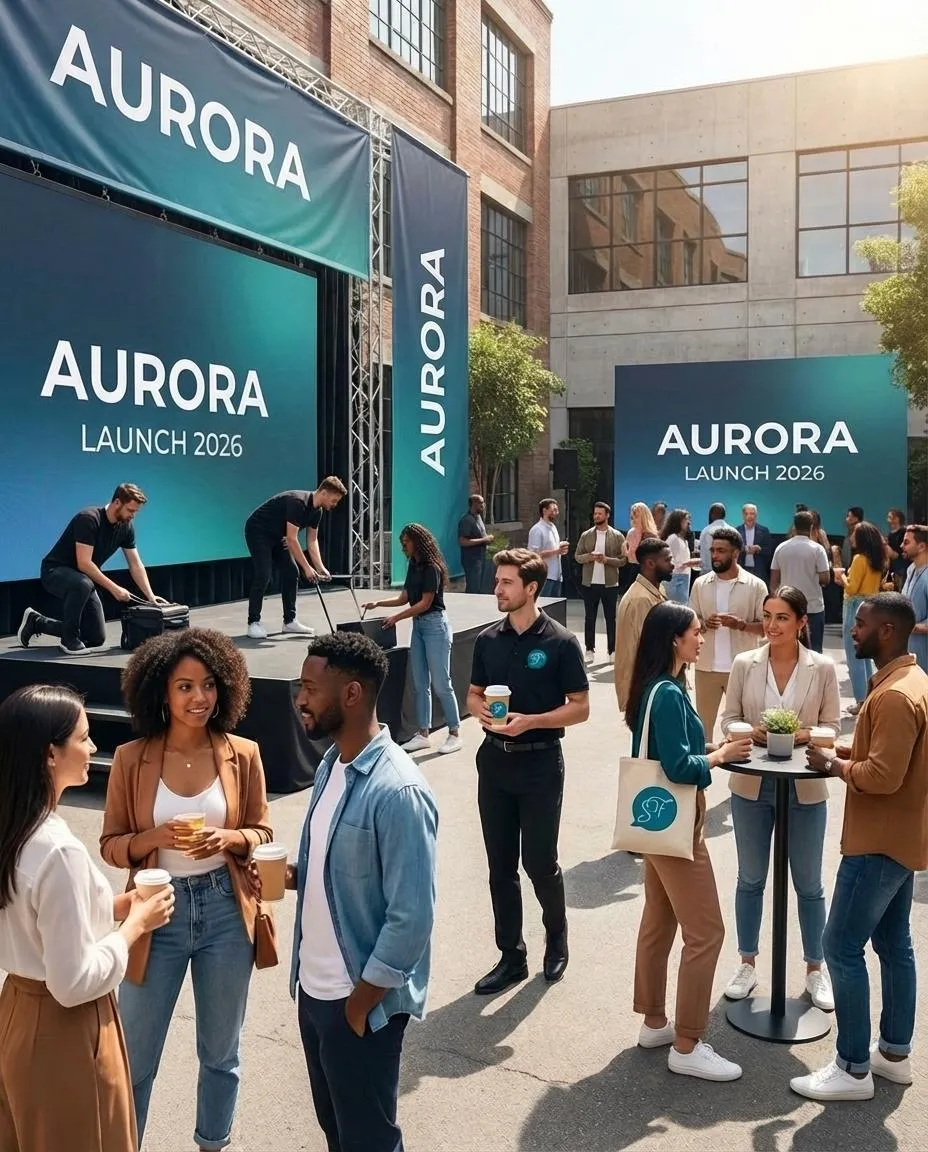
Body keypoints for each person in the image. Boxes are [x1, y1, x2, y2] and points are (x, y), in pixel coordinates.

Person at [100, 628, 273, 1150]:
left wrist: (230, 838)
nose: (200, 698)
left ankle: (212, 1144)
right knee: (134, 1056)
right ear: (161, 691)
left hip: (225, 910)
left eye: (209, 685)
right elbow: (110, 845)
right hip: (156, 911)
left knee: (221, 1054)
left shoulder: (243, 753)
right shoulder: (132, 758)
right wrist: (151, 838)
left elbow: (262, 832)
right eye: (184, 687)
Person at [277, 632, 438, 1151]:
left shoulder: (399, 790)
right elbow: (338, 868)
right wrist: (294, 874)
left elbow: (411, 916)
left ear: (351, 694)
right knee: (338, 1133)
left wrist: (360, 1003)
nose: (300, 699)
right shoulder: (331, 765)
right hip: (314, 992)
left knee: (369, 1141)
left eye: (310, 688)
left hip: (359, 1003)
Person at [0, 684, 174, 1152]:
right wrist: (135, 926)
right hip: (64, 1030)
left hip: (15, 1009)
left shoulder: (15, 827)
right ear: (50, 754)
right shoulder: (56, 849)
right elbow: (72, 982)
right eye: (83, 737)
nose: (94, 747)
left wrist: (115, 906)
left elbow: (30, 915)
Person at [793, 594, 928, 1102]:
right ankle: (892, 1054)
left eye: (862, 623)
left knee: (840, 947)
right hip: (901, 837)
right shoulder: (911, 681)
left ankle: (852, 1069)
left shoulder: (895, 696)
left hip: (876, 843)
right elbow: (896, 757)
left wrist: (834, 766)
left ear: (887, 631)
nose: (852, 629)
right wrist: (844, 748)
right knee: (894, 945)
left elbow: (884, 776)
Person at [626, 603, 753, 1081]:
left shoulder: (657, 687)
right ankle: (688, 1042)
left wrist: (714, 749)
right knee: (707, 933)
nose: (702, 639)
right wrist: (719, 756)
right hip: (677, 828)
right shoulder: (668, 692)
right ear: (674, 640)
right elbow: (680, 768)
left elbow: (670, 751)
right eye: (696, 633)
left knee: (659, 923)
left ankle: (655, 1021)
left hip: (656, 824)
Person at [467, 549, 589, 994]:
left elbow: (581, 708)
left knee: (539, 863)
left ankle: (556, 938)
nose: (497, 589)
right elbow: (473, 694)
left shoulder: (560, 642)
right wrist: (481, 711)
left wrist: (531, 721)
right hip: (494, 761)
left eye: (506, 582)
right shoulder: (487, 640)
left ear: (531, 588)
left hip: (540, 763)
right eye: (497, 581)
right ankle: (511, 956)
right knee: (500, 866)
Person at [720, 587, 840, 1010]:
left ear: (802, 622)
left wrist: (797, 734)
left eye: (782, 617)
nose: (771, 625)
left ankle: (815, 969)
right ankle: (746, 963)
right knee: (750, 878)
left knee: (809, 883)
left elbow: (832, 727)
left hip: (805, 786)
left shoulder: (822, 667)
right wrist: (752, 732)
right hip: (752, 785)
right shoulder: (744, 663)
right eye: (768, 616)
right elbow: (728, 719)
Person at [18, 482, 164, 655]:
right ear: (117, 502)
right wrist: (115, 589)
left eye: (135, 512)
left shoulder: (126, 527)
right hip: (55, 571)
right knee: (83, 584)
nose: (132, 516)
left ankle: (37, 623)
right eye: (130, 510)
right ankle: (69, 641)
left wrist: (151, 597)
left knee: (95, 637)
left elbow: (135, 564)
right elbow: (84, 563)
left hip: (83, 580)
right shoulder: (89, 519)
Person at [363, 523, 462, 755]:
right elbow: (404, 598)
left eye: (406, 542)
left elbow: (425, 603)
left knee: (441, 683)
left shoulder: (432, 568)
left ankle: (455, 732)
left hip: (435, 626)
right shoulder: (414, 566)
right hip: (419, 627)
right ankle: (423, 734)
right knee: (420, 683)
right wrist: (378, 603)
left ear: (418, 542)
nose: (403, 547)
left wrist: (396, 618)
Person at [243, 477, 347, 639]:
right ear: (324, 493)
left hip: (279, 536)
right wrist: (307, 568)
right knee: (264, 574)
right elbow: (292, 539)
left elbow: (312, 540)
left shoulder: (317, 512)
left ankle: (289, 622)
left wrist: (320, 567)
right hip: (258, 531)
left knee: (292, 572)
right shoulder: (298, 503)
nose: (335, 504)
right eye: (334, 500)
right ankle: (253, 623)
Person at [688, 527, 766, 741]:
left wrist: (742, 625)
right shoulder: (700, 584)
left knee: (746, 730)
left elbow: (766, 627)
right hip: (706, 668)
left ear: (736, 553)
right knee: (702, 731)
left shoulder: (756, 586)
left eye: (721, 551)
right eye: (713, 550)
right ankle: (704, 762)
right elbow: (690, 621)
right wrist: (704, 624)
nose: (715, 555)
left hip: (743, 668)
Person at [614, 538, 675, 711]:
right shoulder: (640, 599)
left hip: (655, 686)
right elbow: (649, 649)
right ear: (650, 563)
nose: (672, 564)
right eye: (667, 560)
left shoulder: (657, 590)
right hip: (645, 690)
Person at [835, 521, 885, 714]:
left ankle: (861, 700)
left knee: (854, 655)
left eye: (854, 533)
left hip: (854, 606)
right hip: (871, 605)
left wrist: (841, 576)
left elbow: (851, 588)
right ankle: (869, 697)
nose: (851, 537)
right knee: (866, 656)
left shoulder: (859, 559)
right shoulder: (877, 560)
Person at [574, 502, 628, 663]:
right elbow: (577, 556)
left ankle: (612, 650)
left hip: (610, 583)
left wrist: (606, 560)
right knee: (589, 617)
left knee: (611, 618)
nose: (596, 516)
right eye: (595, 513)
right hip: (590, 583)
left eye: (599, 514)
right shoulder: (586, 535)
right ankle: (589, 649)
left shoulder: (617, 536)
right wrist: (589, 557)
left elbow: (623, 560)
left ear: (607, 515)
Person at [770, 511, 831, 652]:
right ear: (811, 527)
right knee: (814, 651)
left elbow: (773, 581)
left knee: (788, 648)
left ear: (794, 527)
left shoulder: (781, 548)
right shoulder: (818, 549)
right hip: (813, 607)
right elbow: (825, 579)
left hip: (787, 606)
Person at [527, 498, 569, 596]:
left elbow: (552, 548)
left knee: (556, 604)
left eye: (557, 510)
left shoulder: (553, 527)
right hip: (544, 576)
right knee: (544, 603)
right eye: (553, 510)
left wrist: (560, 547)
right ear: (544, 510)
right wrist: (557, 551)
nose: (556, 513)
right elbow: (534, 555)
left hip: (557, 576)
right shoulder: (537, 530)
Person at [901, 524, 928, 673]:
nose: (901, 546)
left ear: (922, 546)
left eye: (906, 542)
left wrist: (913, 627)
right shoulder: (911, 569)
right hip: (909, 653)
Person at [661, 509, 701, 605]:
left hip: (683, 577)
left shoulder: (683, 540)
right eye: (686, 519)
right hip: (675, 579)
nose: (688, 522)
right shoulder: (673, 538)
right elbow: (667, 560)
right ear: (678, 521)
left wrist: (689, 563)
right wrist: (687, 563)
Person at [458, 494, 493, 594]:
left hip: (481, 558)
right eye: (481, 503)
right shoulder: (466, 520)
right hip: (471, 560)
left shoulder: (478, 517)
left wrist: (487, 539)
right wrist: (484, 540)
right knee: (473, 588)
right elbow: (462, 541)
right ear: (474, 504)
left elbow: (481, 535)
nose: (483, 505)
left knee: (479, 588)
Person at [622, 502, 660, 592]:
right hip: (632, 571)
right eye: (632, 517)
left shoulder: (651, 536)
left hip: (647, 573)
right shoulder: (631, 533)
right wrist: (627, 553)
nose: (633, 520)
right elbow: (629, 557)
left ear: (644, 517)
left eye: (636, 516)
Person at [737, 504, 773, 586]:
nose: (749, 516)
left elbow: (769, 550)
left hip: (759, 571)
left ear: (756, 515)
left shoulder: (764, 530)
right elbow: (734, 549)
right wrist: (744, 549)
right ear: (743, 516)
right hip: (742, 569)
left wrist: (759, 549)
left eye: (752, 513)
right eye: (746, 514)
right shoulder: (737, 531)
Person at [698, 503, 732, 574]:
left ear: (711, 515)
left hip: (708, 571)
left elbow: (703, 551)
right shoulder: (732, 531)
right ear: (724, 515)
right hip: (726, 572)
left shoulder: (705, 531)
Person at [833, 505, 864, 572]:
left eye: (848, 516)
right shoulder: (849, 533)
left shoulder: (859, 534)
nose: (846, 519)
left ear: (855, 519)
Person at [886, 509, 908, 589]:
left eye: (891, 517)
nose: (889, 520)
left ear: (897, 518)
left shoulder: (904, 532)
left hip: (902, 566)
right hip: (893, 567)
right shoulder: (890, 535)